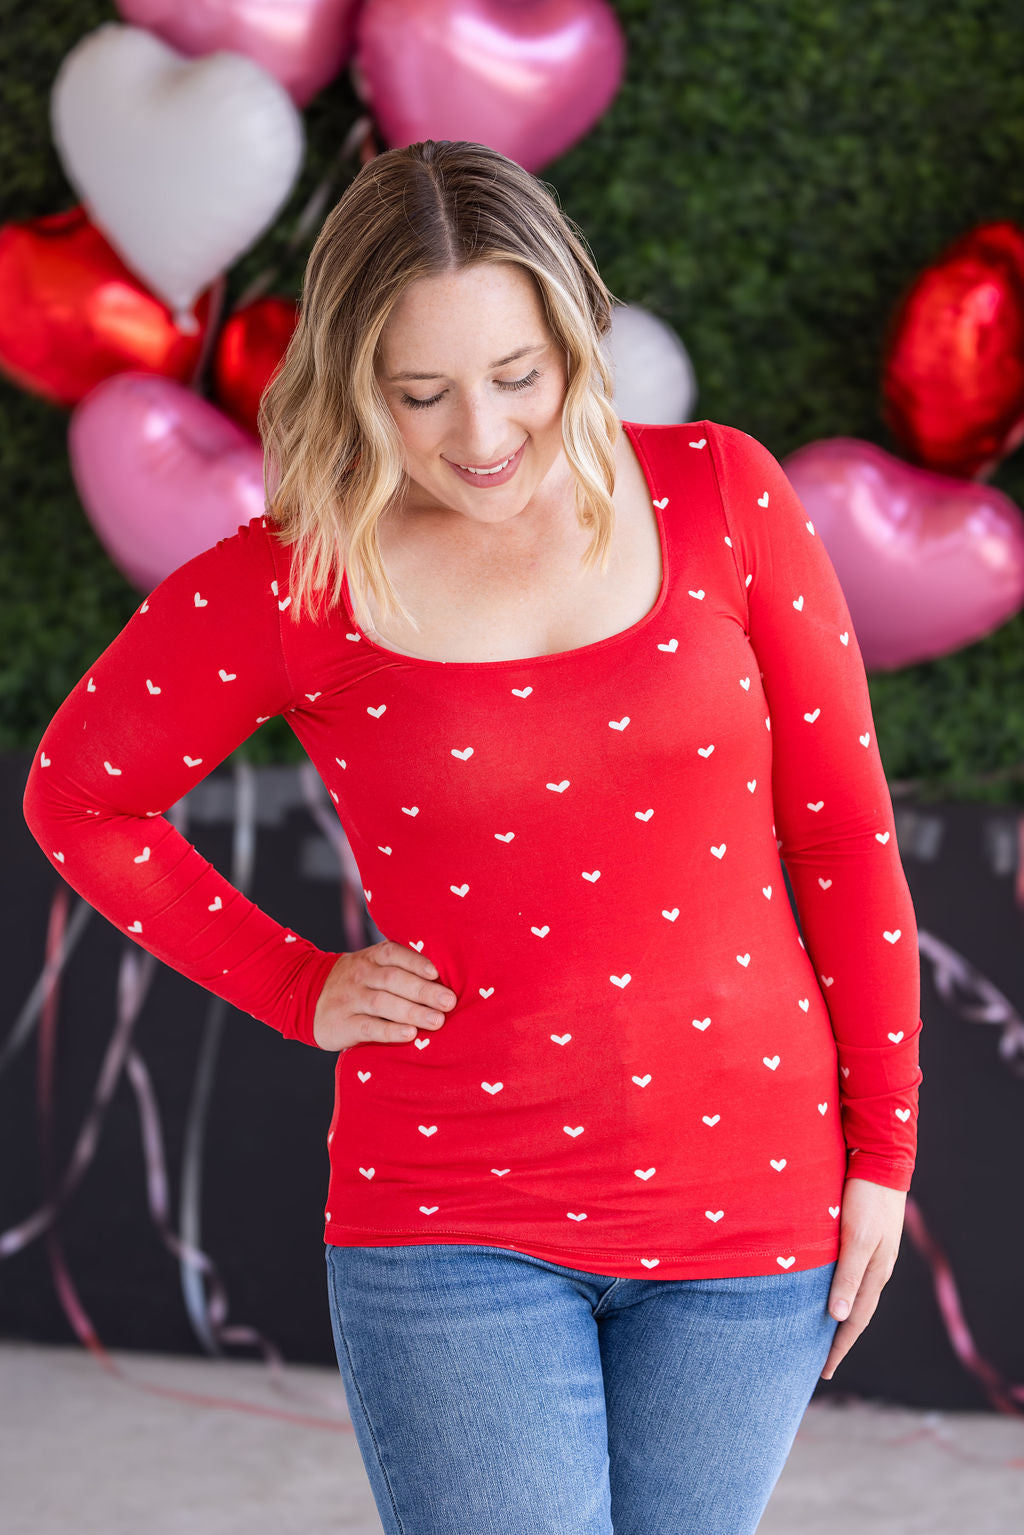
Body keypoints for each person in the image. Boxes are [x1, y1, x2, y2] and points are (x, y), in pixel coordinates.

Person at [22, 139, 922, 1534]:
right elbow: (79, 797)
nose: (483, 434)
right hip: (452, 1219)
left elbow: (845, 841)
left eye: (518, 375)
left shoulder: (723, 494)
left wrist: (884, 1157)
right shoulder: (296, 579)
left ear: (573, 336)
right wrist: (297, 984)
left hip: (753, 1200)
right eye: (420, 392)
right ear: (353, 383)